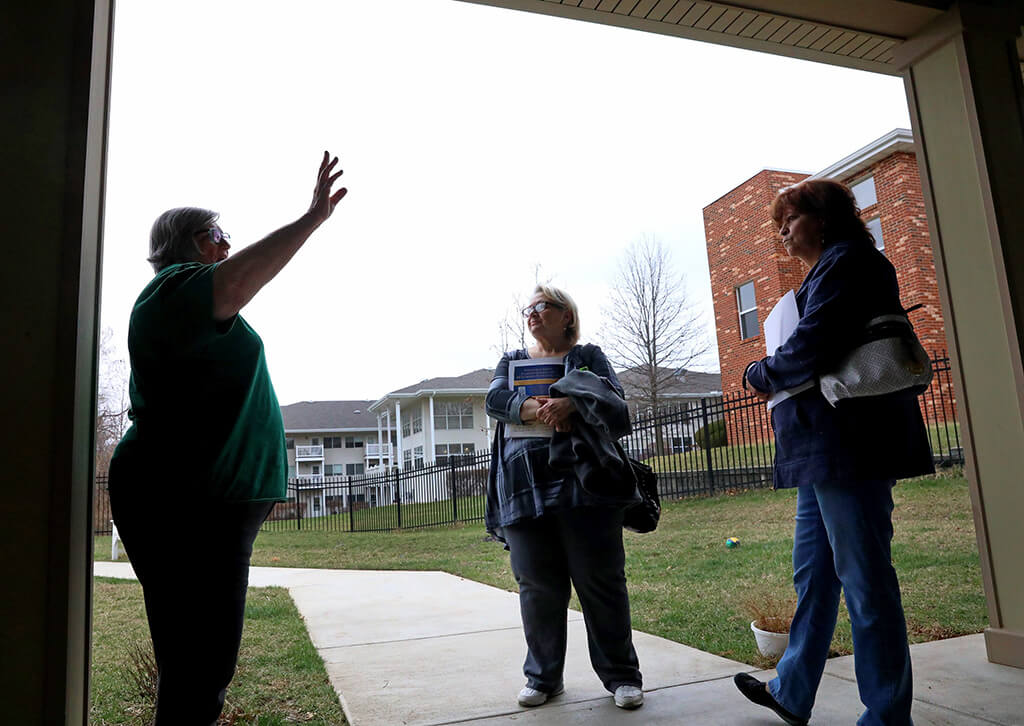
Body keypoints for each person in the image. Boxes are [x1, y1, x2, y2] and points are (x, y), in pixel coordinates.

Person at [108, 151, 347, 725]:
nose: (225, 243)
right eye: (215, 234)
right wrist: (310, 219)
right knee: (201, 663)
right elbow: (236, 282)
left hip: (207, 504)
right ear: (182, 243)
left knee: (196, 661)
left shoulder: (192, 305)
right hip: (185, 501)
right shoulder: (173, 289)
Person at [734, 179, 934, 726]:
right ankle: (792, 690)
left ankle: (888, 714)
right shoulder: (826, 272)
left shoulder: (850, 262)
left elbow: (811, 347)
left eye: (790, 218)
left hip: (851, 445)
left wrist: (758, 372)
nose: (783, 231)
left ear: (822, 218)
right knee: (814, 573)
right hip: (822, 446)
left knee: (865, 578)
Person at [485, 284, 645, 711]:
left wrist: (571, 404)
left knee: (601, 581)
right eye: (528, 308)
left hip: (586, 483)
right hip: (524, 487)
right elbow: (495, 398)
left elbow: (614, 398)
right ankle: (543, 677)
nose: (532, 314)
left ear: (566, 315)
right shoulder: (513, 360)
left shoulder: (587, 356)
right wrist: (537, 409)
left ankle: (622, 677)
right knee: (537, 585)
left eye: (542, 306)